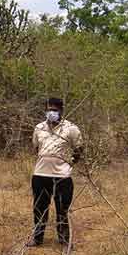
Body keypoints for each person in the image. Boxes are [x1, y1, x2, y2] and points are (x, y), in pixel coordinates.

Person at [28, 97, 83, 247]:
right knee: (39, 208)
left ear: (61, 110)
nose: (51, 112)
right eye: (49, 110)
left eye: (54, 110)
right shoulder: (39, 128)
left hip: (62, 177)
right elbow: (36, 148)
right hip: (40, 175)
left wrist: (69, 164)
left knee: (62, 210)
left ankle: (64, 240)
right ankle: (37, 239)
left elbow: (78, 150)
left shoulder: (71, 128)